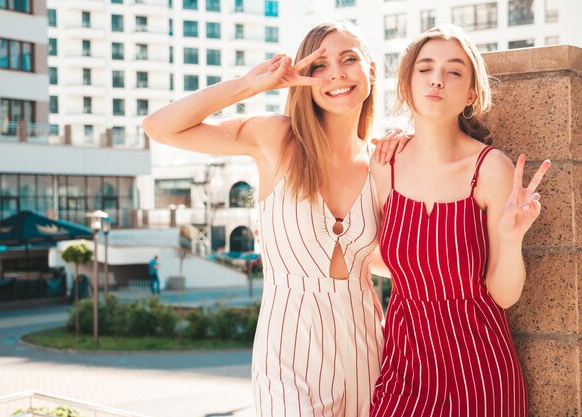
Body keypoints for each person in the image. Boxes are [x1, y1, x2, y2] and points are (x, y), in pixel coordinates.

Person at [143, 20, 410, 417]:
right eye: (320, 65)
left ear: (371, 71)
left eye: (349, 59)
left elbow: (386, 263)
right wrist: (253, 85)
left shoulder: (385, 161)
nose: (336, 72)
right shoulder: (277, 138)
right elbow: (159, 127)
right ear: (303, 75)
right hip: (287, 349)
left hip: (366, 345)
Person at [368, 24, 551, 417]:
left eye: (453, 71)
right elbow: (380, 258)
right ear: (406, 84)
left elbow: (502, 295)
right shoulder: (384, 165)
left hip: (479, 371)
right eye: (425, 68)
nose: (437, 79)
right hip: (405, 365)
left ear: (470, 93)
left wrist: (511, 237)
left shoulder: (490, 168)